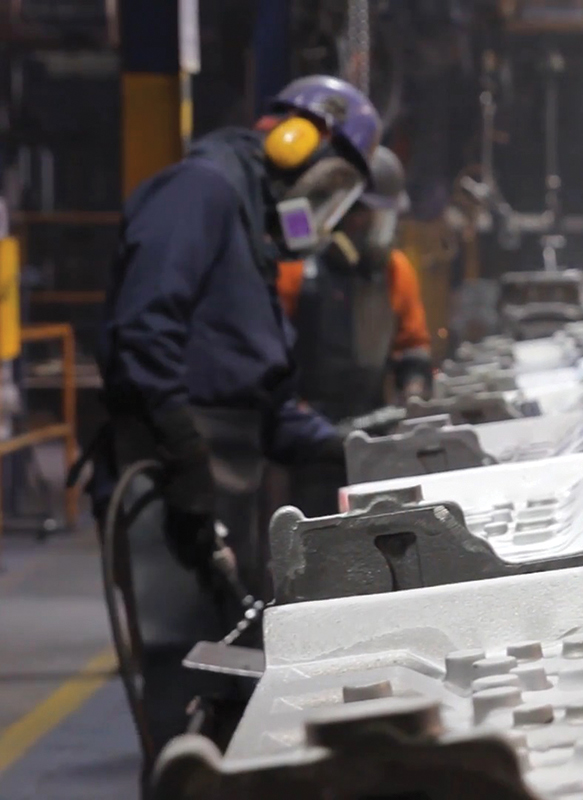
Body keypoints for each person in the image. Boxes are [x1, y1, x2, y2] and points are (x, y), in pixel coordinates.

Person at [90, 75, 381, 775]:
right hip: (171, 467)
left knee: (227, 682)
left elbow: (266, 404)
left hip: (223, 467)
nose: (325, 210)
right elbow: (144, 329)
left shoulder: (248, 226)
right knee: (183, 679)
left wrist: (363, 446)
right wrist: (183, 452)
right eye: (332, 182)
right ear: (293, 139)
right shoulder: (203, 191)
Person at [275, 146, 431, 516]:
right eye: (373, 215)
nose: (379, 228)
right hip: (311, 445)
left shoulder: (395, 270)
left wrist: (414, 394)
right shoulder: (296, 270)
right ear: (347, 213)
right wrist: (299, 419)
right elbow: (273, 359)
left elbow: (414, 347)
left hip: (377, 440)